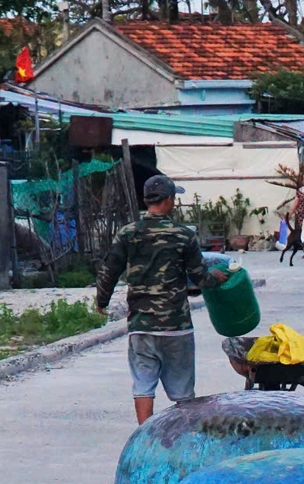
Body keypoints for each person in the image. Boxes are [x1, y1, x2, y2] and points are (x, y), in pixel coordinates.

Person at [93, 174, 226, 425]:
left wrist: (102, 301)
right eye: (173, 197)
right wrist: (216, 277)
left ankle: (144, 437)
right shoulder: (183, 235)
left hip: (141, 324)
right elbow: (199, 277)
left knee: (143, 384)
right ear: (167, 200)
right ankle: (182, 439)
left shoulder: (128, 233)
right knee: (183, 393)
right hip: (176, 326)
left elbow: (109, 270)